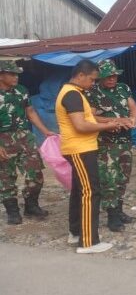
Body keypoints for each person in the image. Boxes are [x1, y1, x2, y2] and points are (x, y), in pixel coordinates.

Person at [56, 59, 122, 253]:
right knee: (90, 192)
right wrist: (108, 125)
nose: (94, 83)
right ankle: (88, 241)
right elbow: (81, 125)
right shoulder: (72, 94)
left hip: (82, 147)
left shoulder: (75, 93)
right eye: (92, 79)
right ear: (81, 75)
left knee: (79, 191)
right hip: (80, 148)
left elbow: (88, 118)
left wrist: (108, 119)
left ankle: (76, 232)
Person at [86, 60, 136, 232]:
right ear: (100, 76)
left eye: (115, 75)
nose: (112, 79)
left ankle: (119, 209)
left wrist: (133, 119)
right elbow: (91, 118)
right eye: (108, 76)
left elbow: (133, 108)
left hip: (125, 142)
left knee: (123, 178)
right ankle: (112, 216)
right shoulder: (93, 92)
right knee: (108, 179)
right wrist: (115, 120)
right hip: (106, 144)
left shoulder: (123, 88)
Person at [0, 60, 56, 225]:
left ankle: (31, 206)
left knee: (35, 172)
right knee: (6, 177)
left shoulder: (21, 91)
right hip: (3, 138)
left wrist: (45, 131)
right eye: (12, 74)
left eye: (17, 74)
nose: (16, 77)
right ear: (1, 75)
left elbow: (30, 112)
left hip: (25, 136)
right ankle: (12, 211)